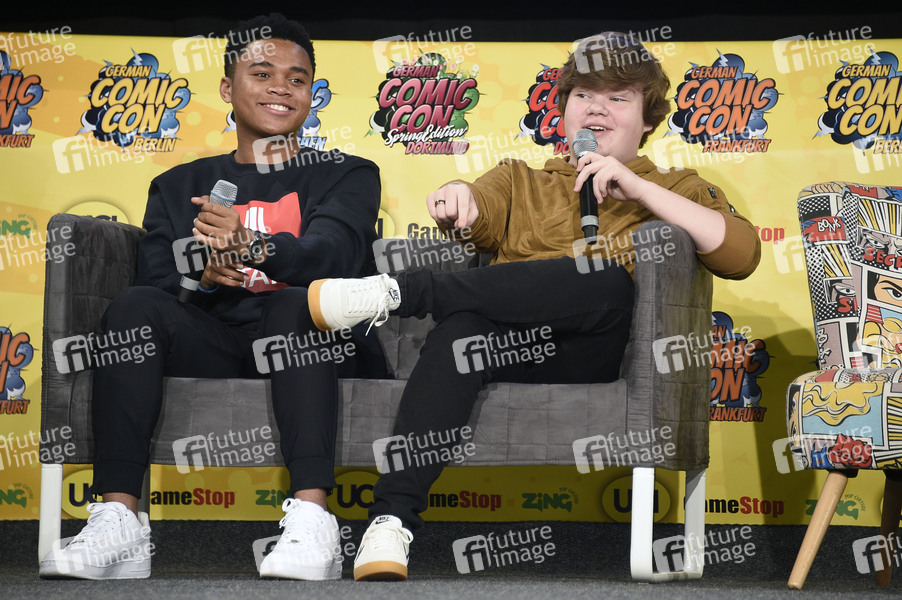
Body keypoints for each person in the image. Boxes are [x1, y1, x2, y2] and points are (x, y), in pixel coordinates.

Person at [306, 31, 761, 581]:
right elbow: (478, 203)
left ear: (647, 119)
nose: (597, 108)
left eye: (618, 98)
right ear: (564, 109)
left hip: (599, 355)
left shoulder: (675, 186)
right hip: (514, 351)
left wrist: (639, 190)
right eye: (583, 95)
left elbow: (741, 254)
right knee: (461, 331)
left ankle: (398, 293)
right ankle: (390, 522)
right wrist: (459, 196)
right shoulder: (520, 179)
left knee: (604, 278)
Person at [39, 13, 387, 581]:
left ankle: (314, 523)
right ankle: (121, 521)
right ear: (228, 88)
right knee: (133, 307)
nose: (281, 87)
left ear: (311, 94)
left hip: (315, 344)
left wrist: (253, 246)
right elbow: (156, 283)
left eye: (297, 78)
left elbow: (335, 256)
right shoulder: (179, 185)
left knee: (292, 302)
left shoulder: (346, 173)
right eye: (262, 73)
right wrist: (200, 275)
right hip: (221, 340)